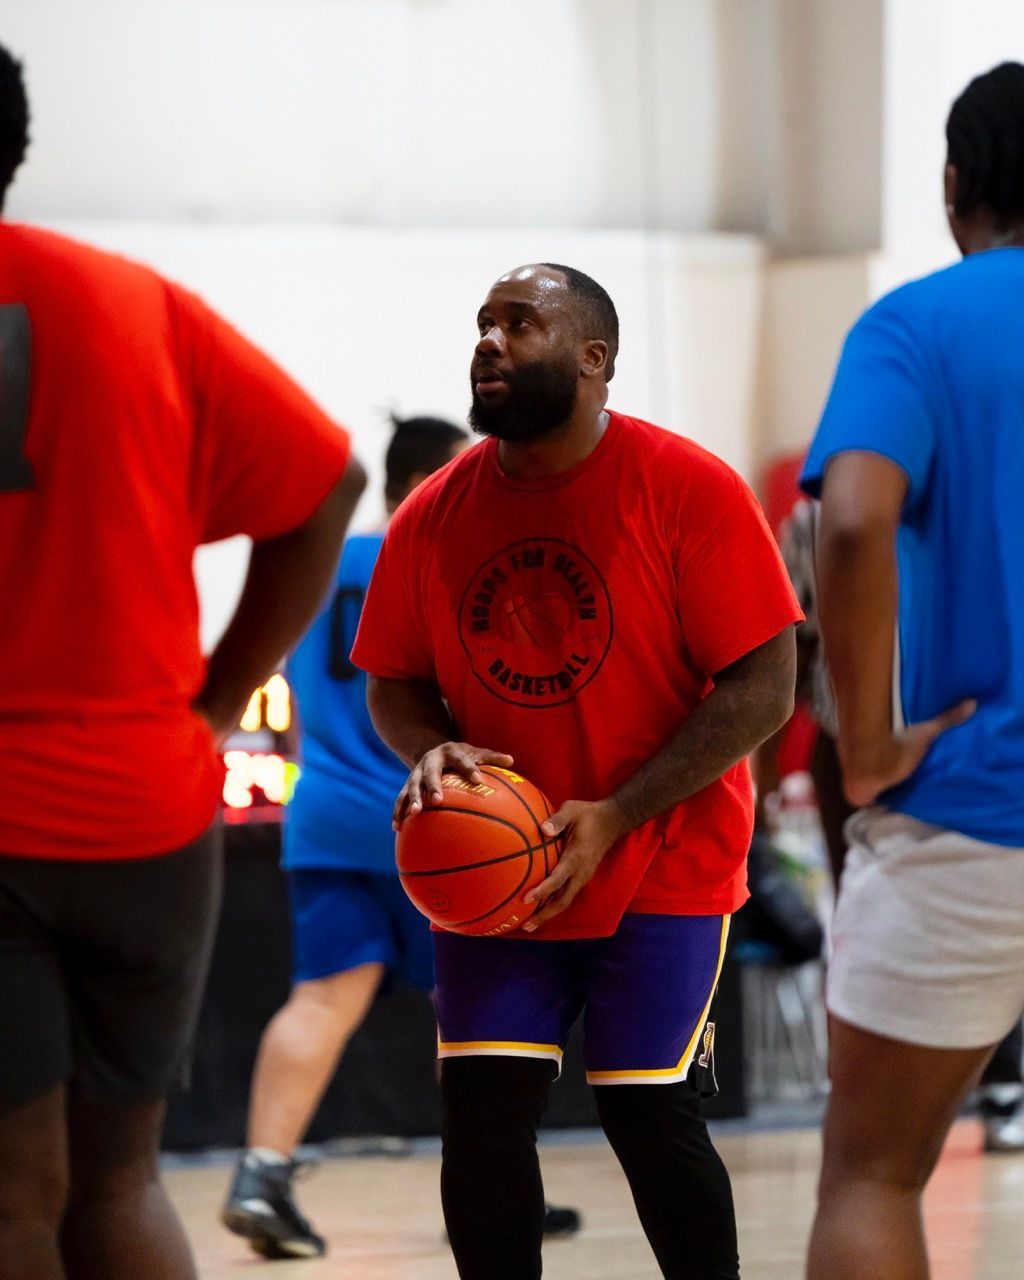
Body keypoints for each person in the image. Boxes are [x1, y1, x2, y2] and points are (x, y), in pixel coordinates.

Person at [351, 262, 802, 1280]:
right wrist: (432, 745)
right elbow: (392, 682)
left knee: (646, 1108)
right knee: (481, 1112)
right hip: (501, 870)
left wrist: (620, 809)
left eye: (521, 323)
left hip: (661, 852)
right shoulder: (433, 513)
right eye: (482, 323)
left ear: (594, 360)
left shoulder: (688, 487)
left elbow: (763, 686)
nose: (490, 341)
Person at [0, 44, 365, 1280]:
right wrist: (214, 693)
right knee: (119, 1182)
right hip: (146, 813)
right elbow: (328, 482)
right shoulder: (135, 303)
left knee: (9, 1198)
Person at [222, 414, 582, 1259]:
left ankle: (259, 1172)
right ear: (425, 480)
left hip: (325, 816)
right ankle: (498, 1183)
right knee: (468, 1009)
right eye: (461, 473)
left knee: (320, 999)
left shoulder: (316, 565)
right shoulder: (441, 555)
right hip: (442, 823)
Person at [801, 61, 1024, 1280]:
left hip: (974, 813)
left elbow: (847, 520)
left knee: (875, 1172)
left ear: (953, 186)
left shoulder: (918, 324)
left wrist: (869, 741)